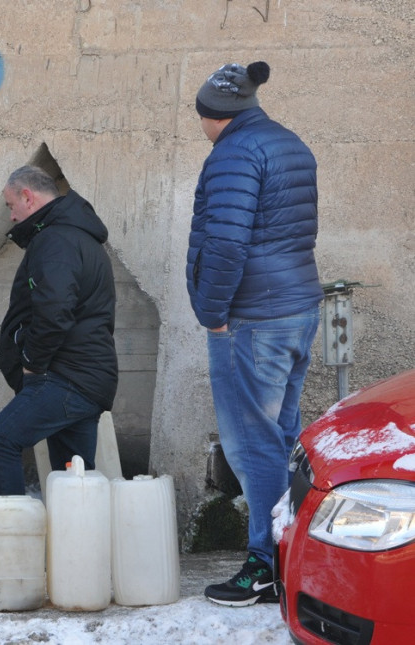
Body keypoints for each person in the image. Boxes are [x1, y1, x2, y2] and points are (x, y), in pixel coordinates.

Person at [186, 61, 323, 606]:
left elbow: (225, 242)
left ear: (210, 115)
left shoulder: (234, 154)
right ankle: (292, 559)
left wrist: (214, 313)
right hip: (296, 308)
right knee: (282, 438)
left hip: (252, 318)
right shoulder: (290, 143)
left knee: (253, 445)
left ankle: (264, 565)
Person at [0, 165, 119, 495]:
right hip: (85, 376)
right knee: (71, 482)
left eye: (10, 206)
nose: (12, 217)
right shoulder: (76, 235)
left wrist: (31, 360)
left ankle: (12, 544)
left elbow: (55, 309)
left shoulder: (55, 239)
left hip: (66, 376)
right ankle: (78, 546)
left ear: (27, 197)